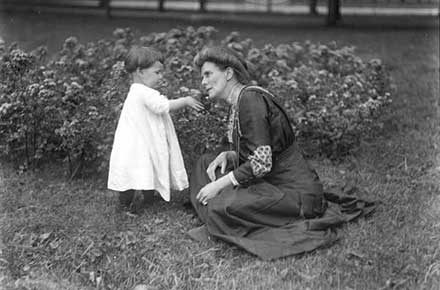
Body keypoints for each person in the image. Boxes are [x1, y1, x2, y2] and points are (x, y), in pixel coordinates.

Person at [188, 46, 375, 260]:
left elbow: (261, 163)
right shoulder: (238, 101)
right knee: (205, 162)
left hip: (294, 192)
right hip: (267, 182)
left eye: (208, 74)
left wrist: (218, 185)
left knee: (224, 203)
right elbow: (263, 147)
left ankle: (217, 215)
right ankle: (218, 215)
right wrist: (230, 156)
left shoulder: (250, 100)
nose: (203, 82)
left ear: (228, 73)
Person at [108, 46, 203, 213]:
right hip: (137, 143)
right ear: (140, 72)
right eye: (157, 72)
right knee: (133, 173)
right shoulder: (143, 92)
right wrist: (186, 100)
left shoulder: (138, 91)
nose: (161, 77)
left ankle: (148, 198)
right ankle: (124, 206)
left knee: (145, 168)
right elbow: (162, 106)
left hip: (140, 141)